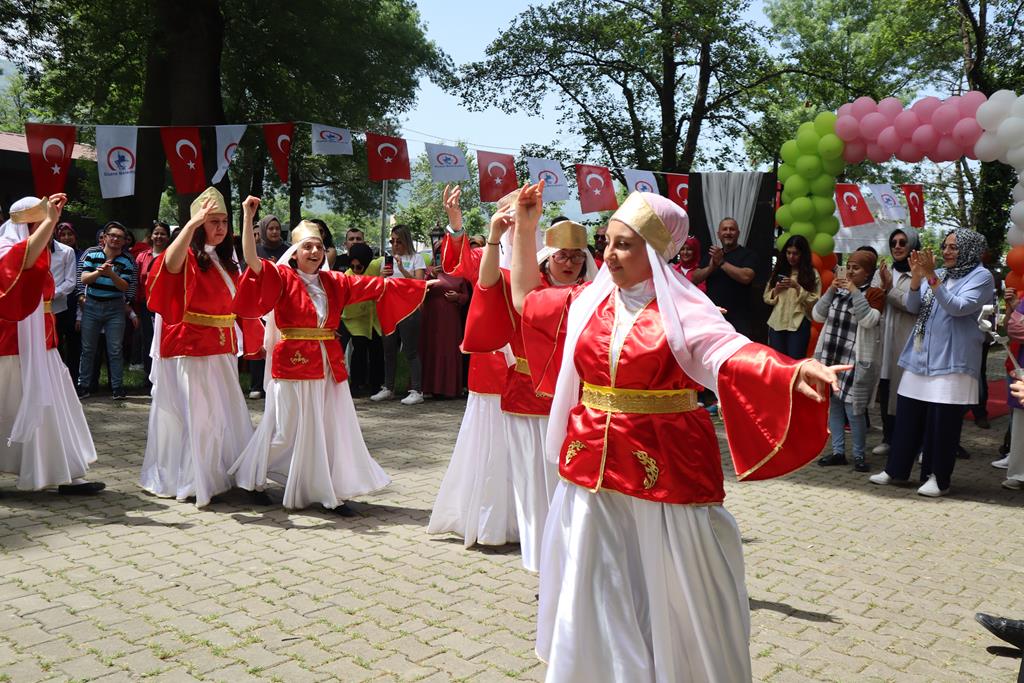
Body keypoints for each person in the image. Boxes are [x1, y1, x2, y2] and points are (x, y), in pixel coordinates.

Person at [509, 185, 842, 682]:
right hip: (591, 469)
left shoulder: (686, 313)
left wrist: (791, 371)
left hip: (662, 470)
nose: (610, 254)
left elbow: (730, 353)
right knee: (592, 579)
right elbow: (523, 301)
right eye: (609, 241)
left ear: (657, 251)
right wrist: (526, 228)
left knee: (670, 582)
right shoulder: (585, 302)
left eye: (626, 244)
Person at [232, 204, 426, 512]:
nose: (314, 251)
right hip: (292, 364)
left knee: (328, 430)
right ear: (294, 252)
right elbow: (252, 261)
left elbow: (377, 285)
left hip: (328, 366)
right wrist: (247, 218)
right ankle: (251, 477)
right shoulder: (281, 277)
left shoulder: (334, 282)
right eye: (307, 246)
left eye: (319, 246)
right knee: (284, 429)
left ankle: (328, 492)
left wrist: (419, 286)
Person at [461, 188, 597, 573]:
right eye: (561, 255)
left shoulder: (593, 294)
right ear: (547, 257)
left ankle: (576, 556)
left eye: (575, 255)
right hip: (525, 398)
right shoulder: (524, 288)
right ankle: (542, 561)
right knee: (532, 485)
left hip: (576, 403)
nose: (568, 262)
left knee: (569, 482)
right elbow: (486, 280)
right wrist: (493, 235)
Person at [140, 187, 263, 507]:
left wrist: (247, 217)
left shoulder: (226, 261)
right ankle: (194, 478)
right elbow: (168, 264)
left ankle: (228, 472)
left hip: (221, 347)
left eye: (224, 221)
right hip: (188, 346)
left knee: (224, 413)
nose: (220, 227)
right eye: (213, 222)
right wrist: (192, 225)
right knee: (198, 415)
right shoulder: (189, 257)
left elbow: (246, 285)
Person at [870, 229, 994, 497]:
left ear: (970, 250)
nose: (946, 252)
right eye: (945, 246)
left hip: (953, 361)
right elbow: (914, 306)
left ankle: (937, 477)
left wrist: (931, 277)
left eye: (953, 248)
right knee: (907, 416)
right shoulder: (942, 274)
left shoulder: (982, 277)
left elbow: (958, 307)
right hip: (920, 355)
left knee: (943, 424)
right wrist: (916, 279)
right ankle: (897, 470)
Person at [428, 184, 517, 548]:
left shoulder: (549, 255)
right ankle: (488, 517)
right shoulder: (485, 256)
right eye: (508, 213)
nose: (514, 220)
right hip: (492, 363)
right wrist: (456, 222)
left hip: (534, 368)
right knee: (491, 439)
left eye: (523, 212)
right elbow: (457, 264)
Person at [0, 195, 103, 495]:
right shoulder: (7, 250)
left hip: (42, 344)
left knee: (54, 408)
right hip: (11, 347)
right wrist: (51, 220)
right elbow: (22, 261)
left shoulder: (34, 252)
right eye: (38, 224)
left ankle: (65, 472)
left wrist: (49, 219)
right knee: (8, 408)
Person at [812, 250, 884, 472]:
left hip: (855, 360)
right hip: (832, 356)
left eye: (856, 268)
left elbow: (869, 320)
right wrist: (832, 290)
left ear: (868, 272)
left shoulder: (874, 293)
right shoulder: (836, 292)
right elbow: (817, 315)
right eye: (848, 266)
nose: (850, 271)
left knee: (854, 409)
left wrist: (853, 291)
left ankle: (859, 455)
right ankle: (838, 452)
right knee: (834, 406)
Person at [76, 221, 136, 400]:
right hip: (92, 306)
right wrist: (99, 272)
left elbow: (125, 286)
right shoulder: (92, 254)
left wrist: (111, 274)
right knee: (87, 348)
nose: (116, 239)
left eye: (120, 237)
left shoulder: (127, 260)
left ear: (125, 241)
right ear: (105, 237)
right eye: (113, 235)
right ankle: (83, 385)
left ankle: (117, 387)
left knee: (115, 349)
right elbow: (84, 278)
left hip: (115, 307)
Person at [875, 227, 922, 456]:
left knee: (902, 390)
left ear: (912, 245)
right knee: (884, 387)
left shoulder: (919, 272)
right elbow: (872, 300)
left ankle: (909, 441)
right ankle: (888, 437)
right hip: (882, 337)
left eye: (903, 242)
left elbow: (913, 305)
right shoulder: (883, 271)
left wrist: (888, 289)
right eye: (893, 242)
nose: (897, 246)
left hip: (906, 339)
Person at [372, 225, 426, 405]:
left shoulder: (416, 258)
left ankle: (417, 391)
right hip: (389, 309)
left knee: (410, 351)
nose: (395, 245)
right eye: (392, 241)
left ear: (406, 241)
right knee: (388, 350)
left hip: (409, 310)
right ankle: (388, 388)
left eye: (399, 241)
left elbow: (419, 284)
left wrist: (402, 269)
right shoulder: (385, 260)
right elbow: (379, 286)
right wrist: (381, 275)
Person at [691, 217, 758, 337]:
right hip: (714, 316)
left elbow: (746, 277)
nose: (728, 232)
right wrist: (711, 267)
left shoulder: (748, 255)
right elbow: (695, 278)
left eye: (732, 229)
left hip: (740, 319)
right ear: (718, 234)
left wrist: (722, 263)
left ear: (738, 233)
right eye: (724, 229)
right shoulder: (712, 256)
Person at [764, 235, 820, 359]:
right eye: (788, 253)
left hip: (799, 323)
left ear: (803, 254)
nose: (791, 257)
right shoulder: (779, 271)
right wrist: (776, 290)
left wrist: (797, 287)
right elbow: (766, 297)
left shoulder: (812, 273)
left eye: (795, 253)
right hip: (777, 322)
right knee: (777, 362)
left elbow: (815, 300)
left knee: (795, 362)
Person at [420, 264, 470, 398]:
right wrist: (430, 276)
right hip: (432, 319)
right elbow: (420, 289)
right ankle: (429, 387)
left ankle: (449, 388)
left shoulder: (459, 273)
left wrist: (458, 297)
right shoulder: (430, 271)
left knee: (449, 349)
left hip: (450, 320)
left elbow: (466, 296)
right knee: (432, 349)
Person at [135, 222, 171, 383]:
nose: (159, 237)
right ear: (151, 236)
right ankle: (149, 376)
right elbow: (136, 282)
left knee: (166, 339)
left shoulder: (172, 254)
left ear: (168, 237)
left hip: (168, 306)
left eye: (163, 233)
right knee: (148, 339)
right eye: (156, 233)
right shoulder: (142, 257)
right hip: (146, 305)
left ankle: (166, 376)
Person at [49, 224, 79, 378]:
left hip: (59, 307)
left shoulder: (67, 251)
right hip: (34, 309)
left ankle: (65, 381)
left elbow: (71, 281)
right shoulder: (30, 249)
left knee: (58, 346)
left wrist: (52, 293)